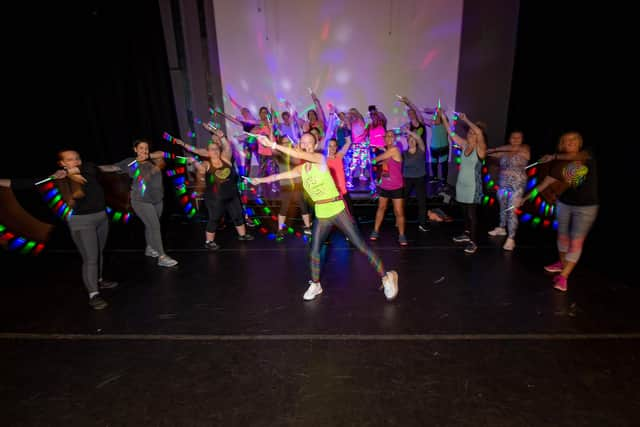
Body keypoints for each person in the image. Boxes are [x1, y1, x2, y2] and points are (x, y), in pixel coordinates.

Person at [249, 132, 399, 301]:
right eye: (302, 142)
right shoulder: (301, 169)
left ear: (315, 146)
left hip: (336, 209)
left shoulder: (320, 159)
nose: (305, 145)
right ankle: (315, 284)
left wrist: (273, 145)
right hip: (321, 213)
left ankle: (387, 276)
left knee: (361, 246)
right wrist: (259, 181)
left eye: (309, 143)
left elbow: (299, 154)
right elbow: (278, 176)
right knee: (313, 250)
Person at [1, 150, 119, 309]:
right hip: (82, 223)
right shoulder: (57, 179)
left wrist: (68, 172)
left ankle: (99, 280)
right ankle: (93, 294)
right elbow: (22, 183)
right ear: (62, 163)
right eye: (70, 160)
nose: (76, 161)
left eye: (77, 158)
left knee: (99, 251)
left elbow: (100, 168)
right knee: (90, 258)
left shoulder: (89, 168)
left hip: (101, 218)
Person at [518, 131, 598, 292]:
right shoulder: (560, 165)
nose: (570, 142)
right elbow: (545, 184)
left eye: (574, 139)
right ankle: (562, 263)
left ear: (580, 142)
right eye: (566, 140)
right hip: (565, 204)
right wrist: (526, 198)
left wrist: (553, 157)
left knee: (576, 240)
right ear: (561, 144)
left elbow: (573, 171)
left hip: (586, 207)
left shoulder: (587, 155)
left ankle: (563, 276)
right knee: (562, 236)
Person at [103, 139, 178, 267]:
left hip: (157, 199)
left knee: (151, 225)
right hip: (141, 200)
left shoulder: (153, 160)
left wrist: (148, 156)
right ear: (135, 149)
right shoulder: (129, 162)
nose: (144, 150)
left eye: (146, 148)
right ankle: (162, 257)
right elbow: (111, 167)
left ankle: (150, 248)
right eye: (141, 148)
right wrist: (90, 169)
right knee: (154, 226)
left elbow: (162, 154)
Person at [178, 126, 254, 250]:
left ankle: (243, 235)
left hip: (232, 194)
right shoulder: (207, 163)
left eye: (217, 149)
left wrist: (222, 137)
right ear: (208, 152)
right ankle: (209, 242)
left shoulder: (226, 159)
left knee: (238, 214)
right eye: (212, 149)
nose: (215, 151)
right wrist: (194, 161)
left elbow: (227, 147)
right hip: (215, 198)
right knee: (214, 218)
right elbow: (200, 168)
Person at [440, 111, 487, 254]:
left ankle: (473, 242)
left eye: (473, 133)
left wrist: (466, 120)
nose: (470, 134)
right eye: (469, 132)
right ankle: (466, 234)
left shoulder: (481, 149)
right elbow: (451, 133)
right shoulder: (464, 145)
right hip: (461, 185)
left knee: (472, 214)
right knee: (464, 212)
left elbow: (479, 132)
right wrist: (443, 118)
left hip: (473, 186)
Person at [486, 131, 530, 250]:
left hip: (517, 184)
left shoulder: (525, 148)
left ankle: (511, 238)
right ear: (509, 139)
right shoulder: (504, 152)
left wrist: (495, 149)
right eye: (513, 137)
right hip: (503, 183)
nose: (515, 139)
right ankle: (501, 228)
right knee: (503, 207)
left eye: (518, 137)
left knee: (512, 210)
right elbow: (487, 153)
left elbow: (524, 154)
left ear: (522, 139)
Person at [369, 130, 407, 245]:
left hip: (396, 186)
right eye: (387, 136)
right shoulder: (387, 152)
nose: (389, 138)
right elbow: (383, 167)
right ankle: (375, 231)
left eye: (391, 136)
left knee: (398, 212)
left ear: (394, 138)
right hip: (385, 186)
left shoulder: (395, 150)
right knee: (381, 208)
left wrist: (373, 158)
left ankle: (401, 235)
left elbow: (376, 160)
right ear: (385, 138)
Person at [403, 130, 429, 232]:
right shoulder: (404, 153)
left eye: (414, 139)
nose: (412, 141)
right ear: (407, 141)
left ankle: (422, 224)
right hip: (407, 178)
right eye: (410, 139)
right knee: (403, 201)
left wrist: (408, 131)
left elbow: (419, 138)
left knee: (422, 202)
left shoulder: (421, 150)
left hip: (420, 178)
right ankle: (400, 221)